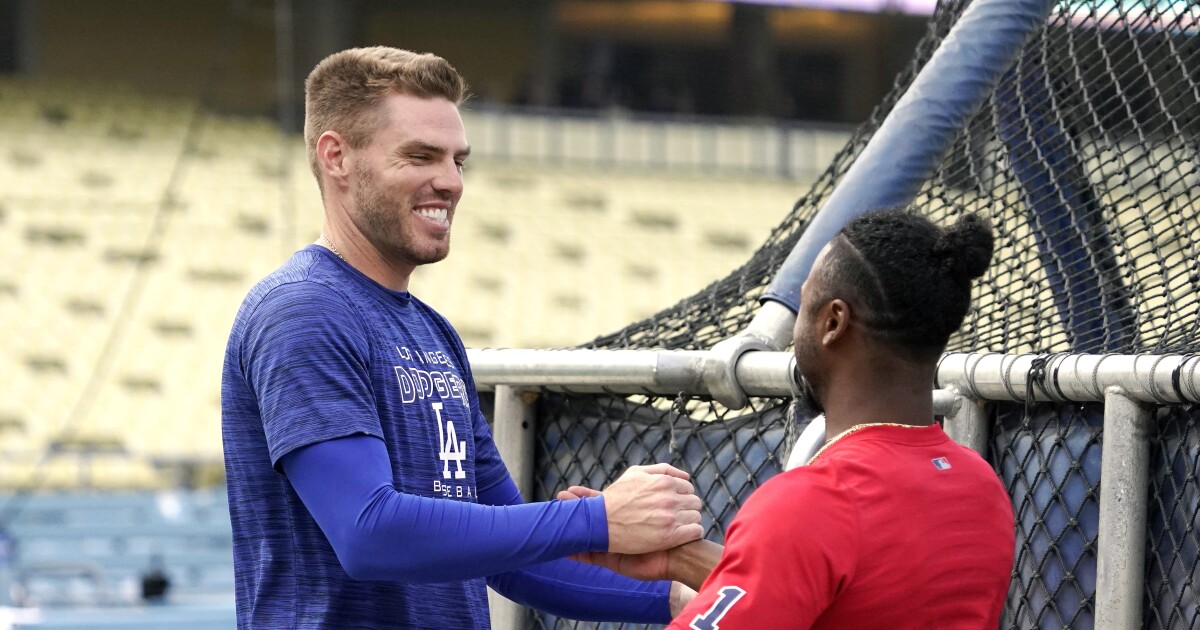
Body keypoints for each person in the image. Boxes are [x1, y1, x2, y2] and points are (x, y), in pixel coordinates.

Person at [220, 46, 703, 629]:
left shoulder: (431, 332)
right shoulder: (303, 309)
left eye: (458, 161)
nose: (449, 183)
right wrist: (598, 519)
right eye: (420, 156)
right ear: (336, 157)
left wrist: (686, 602)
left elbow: (516, 566)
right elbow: (368, 533)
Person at [566, 208, 1016, 629]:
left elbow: (823, 545)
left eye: (803, 306)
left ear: (833, 322)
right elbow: (855, 598)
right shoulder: (980, 486)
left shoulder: (814, 502)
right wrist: (681, 560)